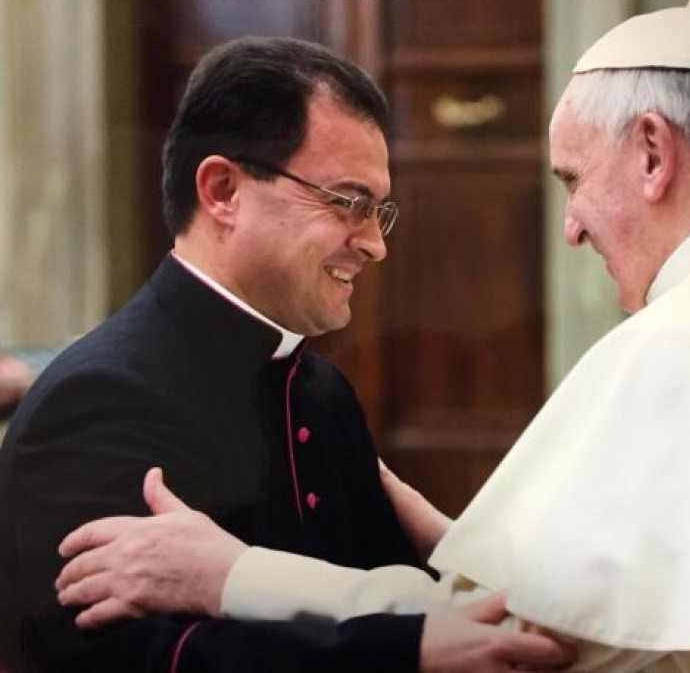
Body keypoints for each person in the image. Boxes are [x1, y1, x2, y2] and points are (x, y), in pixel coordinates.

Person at [54, 4, 690, 672]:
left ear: (651, 152)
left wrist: (232, 574)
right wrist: (453, 535)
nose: (571, 227)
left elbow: (520, 644)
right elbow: (641, 598)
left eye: (571, 179)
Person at [0, 36, 575, 673]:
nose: (375, 244)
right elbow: (116, 660)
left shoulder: (321, 393)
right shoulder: (101, 400)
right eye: (350, 203)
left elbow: (425, 611)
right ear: (223, 190)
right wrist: (403, 649)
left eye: (378, 211)